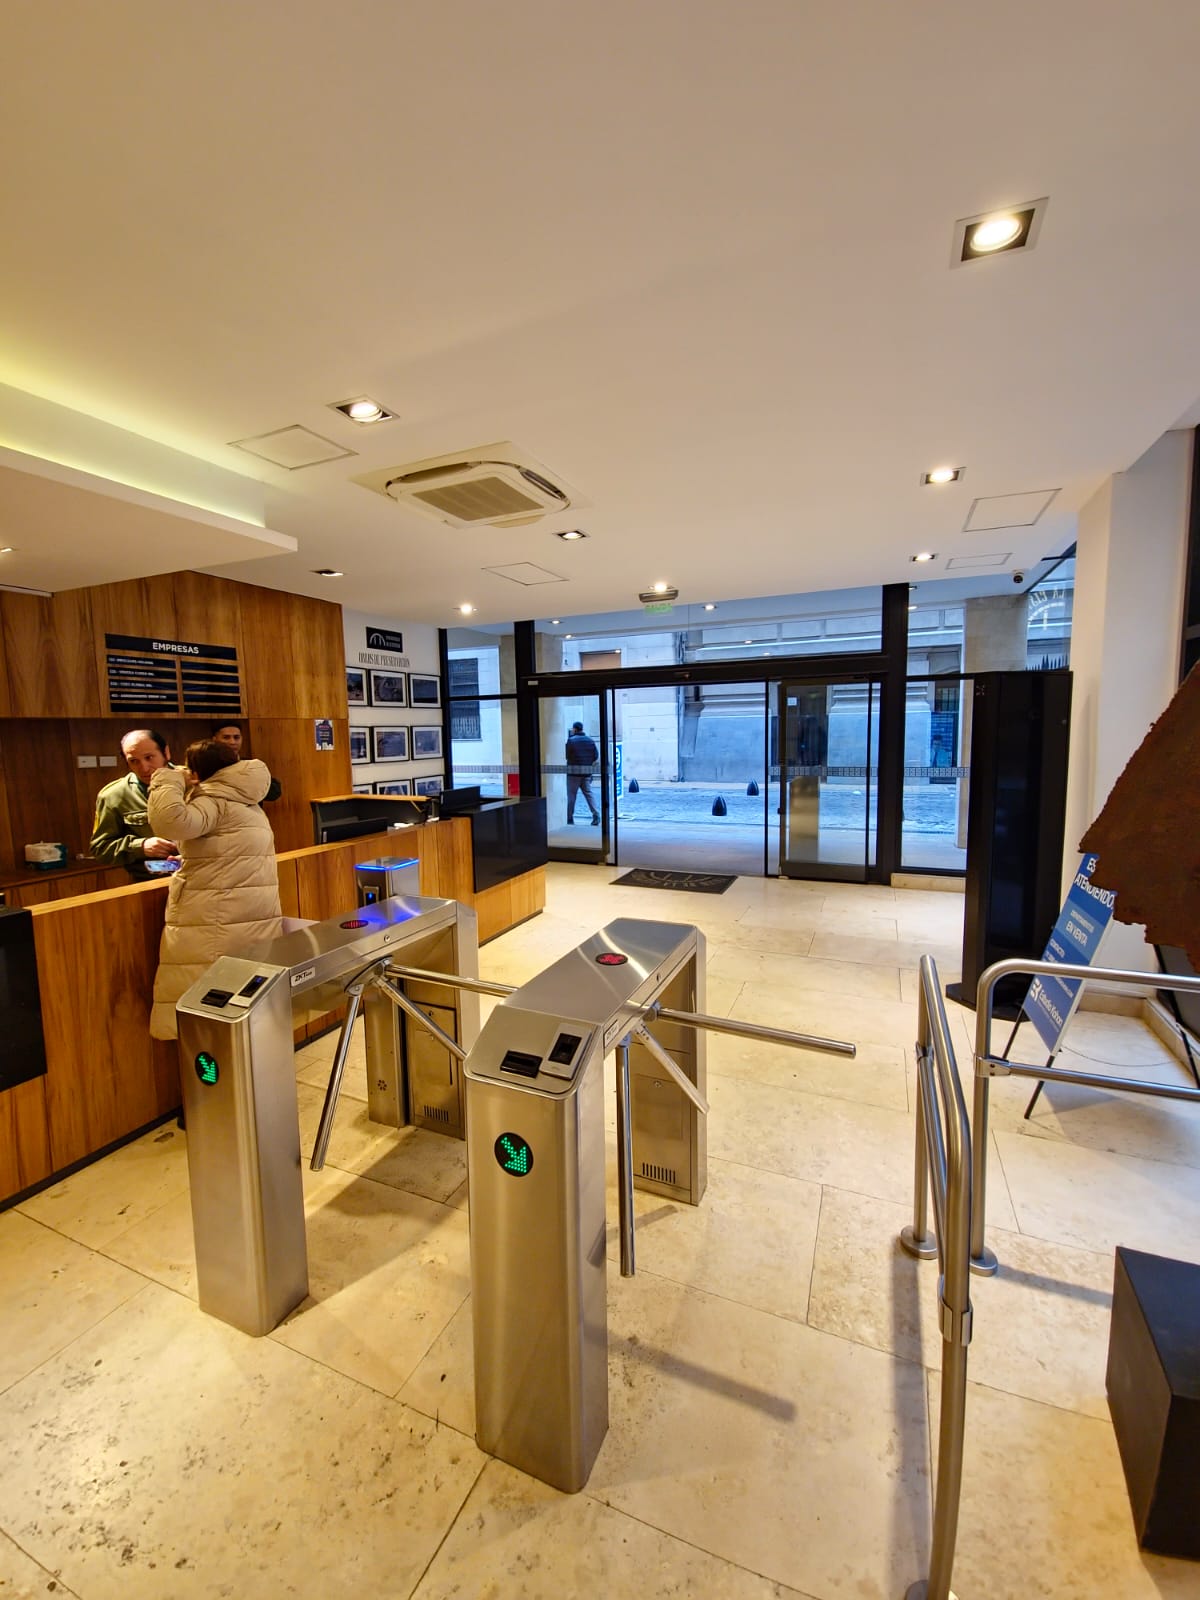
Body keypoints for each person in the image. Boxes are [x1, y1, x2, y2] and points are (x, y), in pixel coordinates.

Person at [146, 739, 282, 1040]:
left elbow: (169, 822)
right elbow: (226, 849)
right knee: (243, 998)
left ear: (195, 772)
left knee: (207, 1003)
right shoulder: (245, 798)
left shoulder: (213, 799)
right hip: (248, 914)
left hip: (215, 917)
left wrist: (167, 778)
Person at [90, 728, 181, 880]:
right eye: (134, 761)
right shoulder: (114, 795)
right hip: (150, 881)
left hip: (203, 877)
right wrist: (141, 846)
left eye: (149, 757)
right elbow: (100, 849)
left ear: (166, 753)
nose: (144, 768)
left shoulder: (196, 781)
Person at [210, 722, 283, 801]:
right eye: (226, 737)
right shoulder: (208, 766)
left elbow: (274, 793)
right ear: (214, 740)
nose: (232, 742)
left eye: (236, 737)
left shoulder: (251, 765)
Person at [565, 720, 601, 825]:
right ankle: (596, 814)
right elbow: (596, 756)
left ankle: (569, 818)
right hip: (586, 773)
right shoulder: (590, 741)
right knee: (589, 794)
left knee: (572, 795)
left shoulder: (571, 741)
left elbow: (567, 756)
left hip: (573, 773)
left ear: (575, 729)